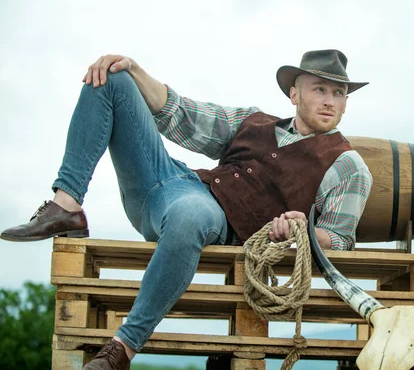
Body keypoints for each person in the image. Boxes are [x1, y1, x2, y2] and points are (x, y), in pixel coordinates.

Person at [0, 49, 373, 369]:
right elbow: (183, 113)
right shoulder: (252, 121)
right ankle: (66, 204)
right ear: (294, 94)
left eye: (338, 93)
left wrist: (300, 229)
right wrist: (131, 67)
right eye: (319, 89)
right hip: (172, 184)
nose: (329, 100)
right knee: (109, 78)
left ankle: (122, 348)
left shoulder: (346, 165)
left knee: (191, 214)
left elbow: (339, 239)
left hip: (211, 220)